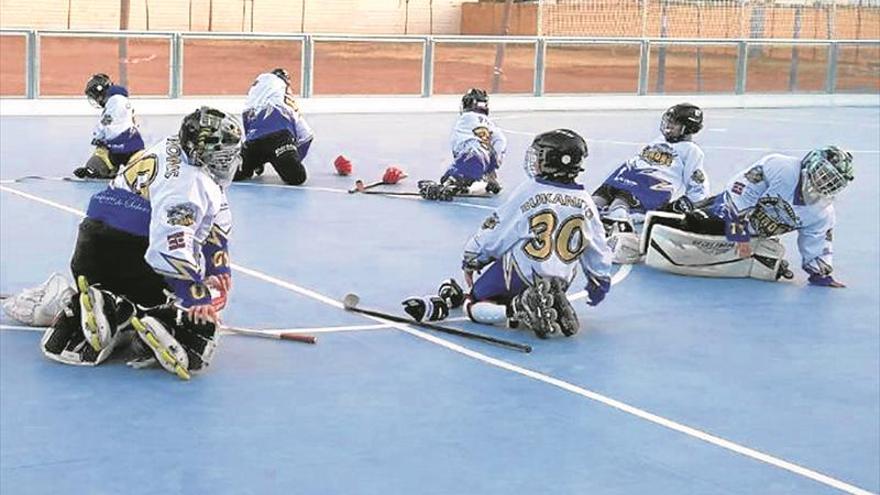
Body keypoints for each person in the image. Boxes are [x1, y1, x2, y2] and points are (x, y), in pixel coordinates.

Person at [40, 107, 242, 380]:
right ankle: (166, 323)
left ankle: (111, 304)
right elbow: (169, 248)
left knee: (128, 282)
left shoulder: (174, 145)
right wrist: (196, 296)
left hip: (90, 248)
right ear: (203, 152)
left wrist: (219, 265)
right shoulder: (188, 184)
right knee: (194, 306)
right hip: (131, 255)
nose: (231, 160)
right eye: (224, 154)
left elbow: (215, 213)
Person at [403, 129, 612, 338]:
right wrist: (599, 281)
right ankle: (546, 303)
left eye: (540, 156)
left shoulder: (531, 190)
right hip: (562, 277)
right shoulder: (585, 201)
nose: (536, 161)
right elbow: (597, 245)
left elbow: (497, 231)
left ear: (551, 160)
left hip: (522, 272)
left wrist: (473, 258)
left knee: (472, 304)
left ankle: (519, 307)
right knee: (544, 278)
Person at [640, 146, 854, 287]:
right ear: (811, 164)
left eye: (833, 182)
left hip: (755, 234)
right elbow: (741, 193)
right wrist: (739, 239)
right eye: (824, 175)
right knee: (700, 222)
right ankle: (649, 226)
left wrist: (821, 275)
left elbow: (817, 240)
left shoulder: (822, 213)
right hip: (727, 211)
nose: (825, 184)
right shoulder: (780, 167)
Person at [592, 103, 708, 263]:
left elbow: (698, 185)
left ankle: (622, 230)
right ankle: (586, 218)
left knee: (621, 203)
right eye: (668, 121)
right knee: (598, 198)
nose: (668, 126)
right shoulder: (658, 140)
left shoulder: (691, 151)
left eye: (674, 124)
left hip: (652, 187)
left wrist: (687, 203)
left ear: (688, 128)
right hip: (628, 177)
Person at [418, 88, 507, 201]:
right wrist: (492, 169)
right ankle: (482, 181)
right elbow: (501, 142)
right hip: (485, 159)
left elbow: (458, 145)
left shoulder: (465, 118)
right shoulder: (491, 125)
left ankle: (450, 186)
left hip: (471, 157)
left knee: (449, 178)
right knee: (475, 169)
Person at [237, 68, 314, 185]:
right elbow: (306, 136)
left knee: (233, 173)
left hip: (254, 141)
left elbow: (248, 128)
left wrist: (256, 162)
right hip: (279, 138)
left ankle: (251, 164)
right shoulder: (286, 101)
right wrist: (294, 156)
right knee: (297, 177)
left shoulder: (252, 100)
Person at [73, 73, 145, 179]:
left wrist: (97, 137)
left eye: (95, 96)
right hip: (133, 144)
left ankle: (95, 169)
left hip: (119, 145)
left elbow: (106, 122)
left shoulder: (115, 101)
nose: (96, 100)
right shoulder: (121, 99)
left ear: (100, 91)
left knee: (101, 155)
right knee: (138, 168)